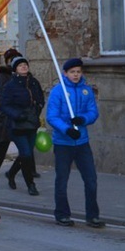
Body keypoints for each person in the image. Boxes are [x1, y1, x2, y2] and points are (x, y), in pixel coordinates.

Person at [46, 58, 104, 228]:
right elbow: (52, 116)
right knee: (62, 180)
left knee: (91, 179)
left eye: (78, 72)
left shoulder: (87, 91)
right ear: (65, 73)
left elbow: (93, 112)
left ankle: (92, 215)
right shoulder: (58, 91)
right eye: (72, 72)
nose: (76, 75)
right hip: (63, 143)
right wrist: (66, 129)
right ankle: (62, 214)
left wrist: (83, 119)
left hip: (82, 142)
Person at [1, 56, 45, 196]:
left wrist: (37, 108)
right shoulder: (10, 85)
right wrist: (17, 114)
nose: (24, 67)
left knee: (26, 154)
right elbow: (4, 105)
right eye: (20, 66)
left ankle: (11, 173)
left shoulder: (33, 82)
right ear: (15, 70)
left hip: (31, 123)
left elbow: (40, 98)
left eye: (25, 64)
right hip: (17, 125)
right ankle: (30, 184)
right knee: (25, 153)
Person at [0, 48, 23, 174]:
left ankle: (29, 170)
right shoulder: (2, 76)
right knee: (1, 144)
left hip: (19, 117)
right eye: (12, 59)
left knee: (25, 147)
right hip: (5, 117)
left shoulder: (21, 76)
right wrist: (4, 111)